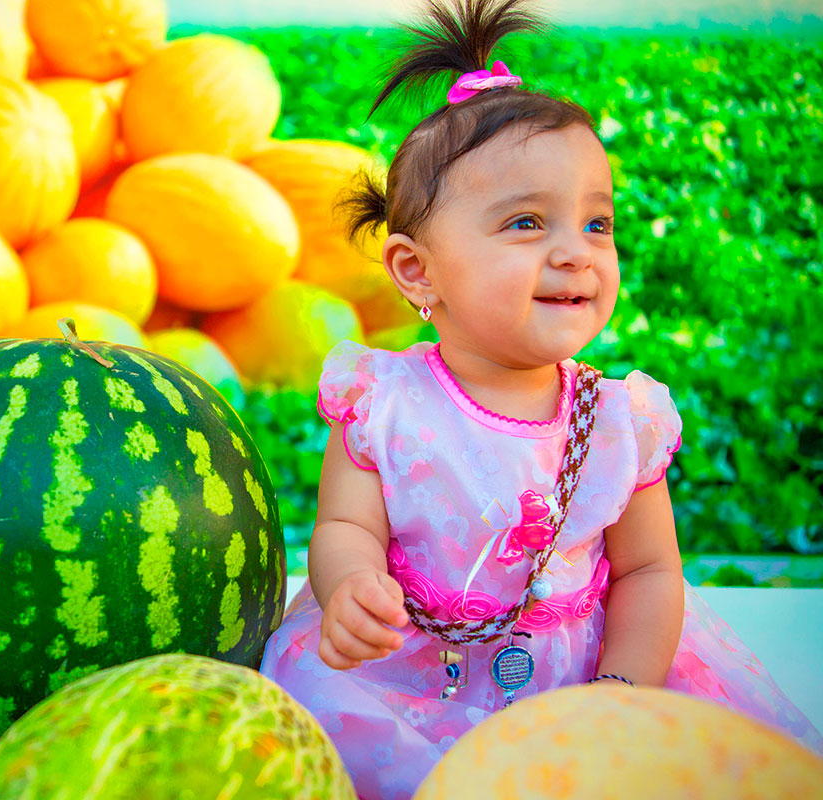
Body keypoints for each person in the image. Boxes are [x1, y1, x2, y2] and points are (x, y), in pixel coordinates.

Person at [257, 1, 823, 796]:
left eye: (597, 224)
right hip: (412, 676)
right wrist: (347, 586)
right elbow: (346, 527)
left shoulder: (618, 422)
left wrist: (621, 690)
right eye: (527, 223)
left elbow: (650, 571)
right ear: (418, 271)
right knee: (334, 729)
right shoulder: (382, 404)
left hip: (579, 677)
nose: (575, 254)